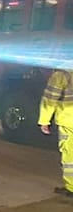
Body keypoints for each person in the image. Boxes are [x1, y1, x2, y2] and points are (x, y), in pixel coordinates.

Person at [38, 66, 73, 198]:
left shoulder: (62, 74)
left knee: (70, 156)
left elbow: (50, 99)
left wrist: (44, 121)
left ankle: (71, 187)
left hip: (69, 121)